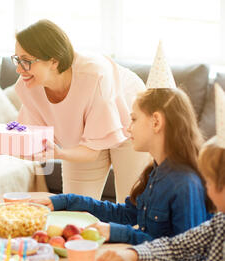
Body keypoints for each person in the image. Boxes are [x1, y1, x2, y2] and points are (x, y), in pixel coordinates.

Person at [32, 88, 213, 248]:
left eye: (133, 119)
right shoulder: (155, 172)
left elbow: (183, 253)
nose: (128, 128)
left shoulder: (185, 184)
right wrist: (66, 201)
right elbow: (125, 214)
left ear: (156, 122)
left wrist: (117, 233)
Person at [13, 19, 151, 203]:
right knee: (74, 208)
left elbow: (92, 152)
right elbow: (33, 141)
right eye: (17, 59)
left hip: (128, 121)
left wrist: (59, 154)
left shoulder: (95, 77)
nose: (18, 69)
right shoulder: (27, 87)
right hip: (81, 140)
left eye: (26, 61)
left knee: (131, 204)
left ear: (54, 61)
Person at [95, 134, 225, 261]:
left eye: (208, 181)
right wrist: (133, 254)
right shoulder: (220, 222)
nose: (205, 188)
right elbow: (179, 246)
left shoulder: (184, 184)